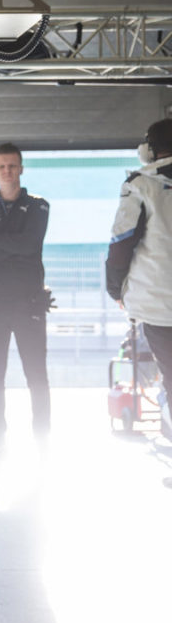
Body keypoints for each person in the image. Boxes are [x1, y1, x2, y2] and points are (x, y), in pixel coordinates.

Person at [0, 142, 52, 458]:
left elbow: (31, 244)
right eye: (1, 166)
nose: (7, 171)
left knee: (36, 376)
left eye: (12, 165)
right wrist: (8, 244)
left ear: (21, 168)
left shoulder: (38, 207)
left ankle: (42, 440)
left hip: (29, 302)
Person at [105, 118, 172, 485]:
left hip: (160, 307)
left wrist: (116, 290)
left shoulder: (140, 186)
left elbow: (121, 243)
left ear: (148, 150)